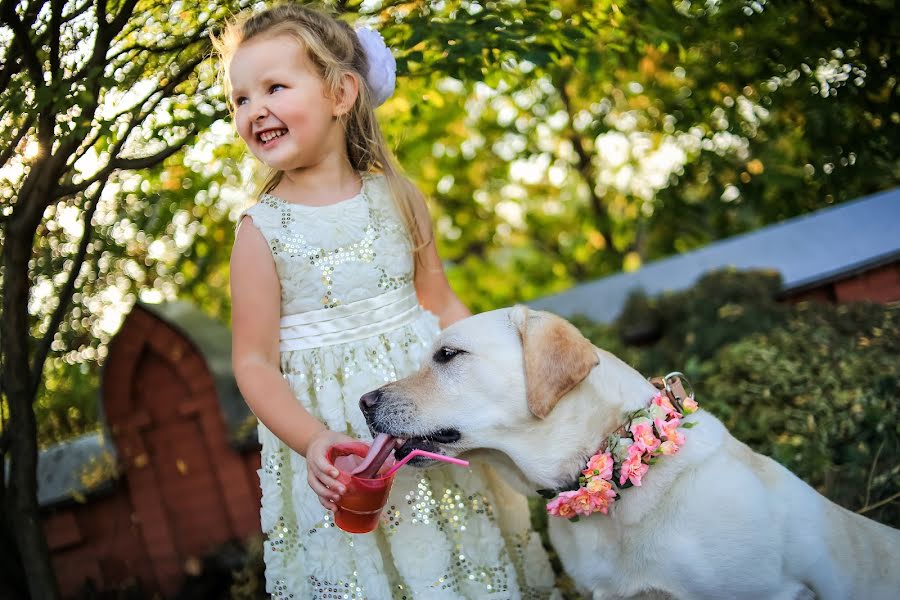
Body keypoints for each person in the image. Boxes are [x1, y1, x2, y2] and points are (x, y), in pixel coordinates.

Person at [214, 4, 559, 598]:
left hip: (429, 408)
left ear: (341, 92)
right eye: (240, 99)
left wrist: (504, 368)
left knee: (462, 551)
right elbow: (253, 364)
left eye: (274, 87)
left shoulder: (399, 197)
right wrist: (312, 439)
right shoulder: (260, 232)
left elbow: (442, 303)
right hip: (344, 443)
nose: (255, 110)